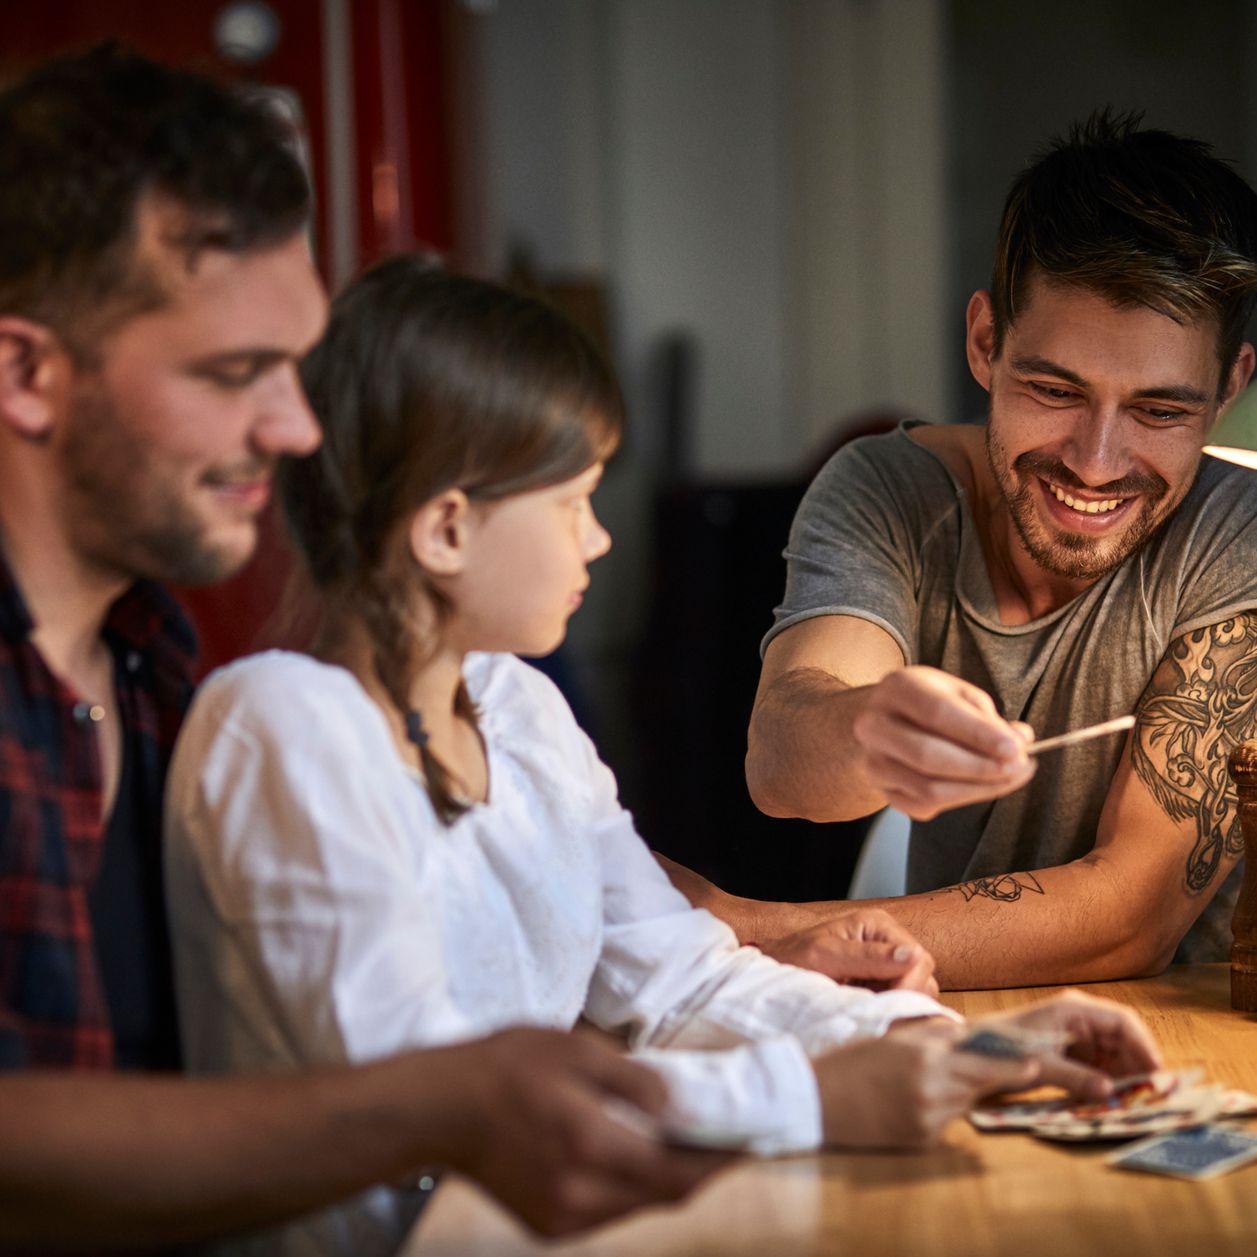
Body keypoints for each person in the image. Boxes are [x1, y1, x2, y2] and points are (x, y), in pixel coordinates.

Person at [164, 257, 1162, 1257]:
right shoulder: (281, 729)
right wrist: (814, 1096)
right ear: (447, 529)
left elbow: (681, 984)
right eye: (573, 502)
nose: (598, 540)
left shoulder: (518, 709)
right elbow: (439, 1106)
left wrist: (938, 1046)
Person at [0, 44, 726, 1251]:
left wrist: (767, 943)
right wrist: (462, 1101)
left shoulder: (150, 667)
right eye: (238, 373)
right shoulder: (240, 706)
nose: (291, 428)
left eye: (295, 367)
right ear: (26, 371)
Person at [671, 111, 1257, 990]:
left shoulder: (1238, 534)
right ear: (984, 342)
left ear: (1230, 388)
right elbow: (783, 771)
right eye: (1053, 389)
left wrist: (752, 930)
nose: (1094, 464)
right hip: (954, 1036)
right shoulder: (886, 490)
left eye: (1159, 411)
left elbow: (1128, 918)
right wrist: (865, 728)